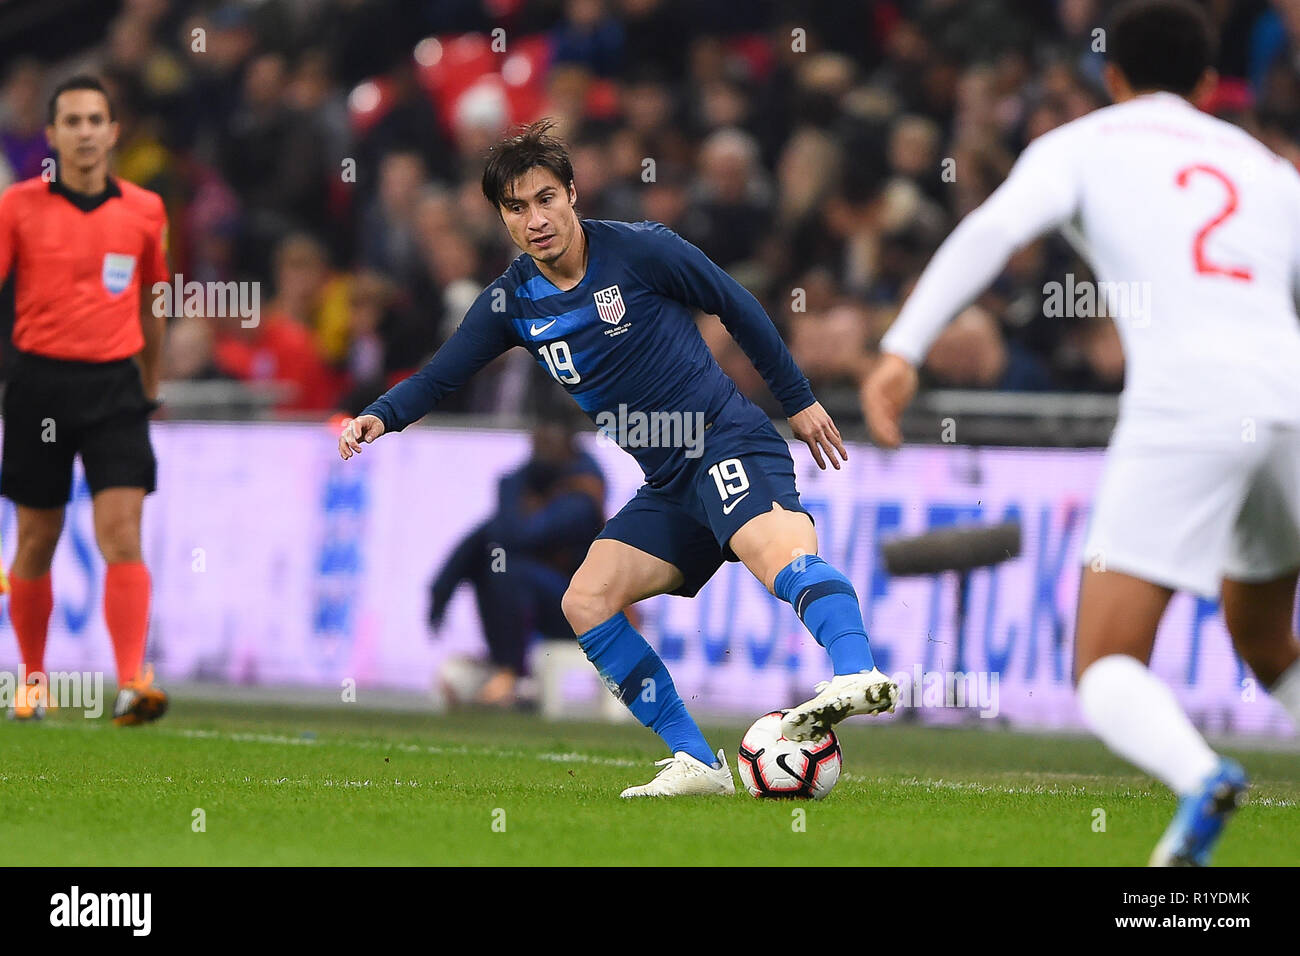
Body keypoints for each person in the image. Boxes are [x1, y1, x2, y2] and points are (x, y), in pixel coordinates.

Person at [861, 0, 1300, 865]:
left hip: (1188, 403)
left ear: (1113, 76)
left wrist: (902, 348)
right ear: (1210, 85)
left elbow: (991, 229)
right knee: (1260, 631)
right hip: (1290, 395)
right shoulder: (1269, 169)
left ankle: (1200, 776)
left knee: (1103, 666)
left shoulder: (1084, 144)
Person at [340, 119, 899, 797]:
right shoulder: (511, 301)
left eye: (545, 198)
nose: (535, 219)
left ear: (572, 193)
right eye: (515, 208)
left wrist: (799, 400)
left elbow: (735, 303)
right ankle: (697, 762)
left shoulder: (640, 251)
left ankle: (855, 672)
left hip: (723, 440)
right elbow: (440, 376)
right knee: (588, 600)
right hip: (666, 483)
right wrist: (379, 414)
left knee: (776, 555)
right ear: (502, 219)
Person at [0, 75, 170, 724]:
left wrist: (149, 383)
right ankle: (34, 681)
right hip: (39, 386)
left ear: (113, 130)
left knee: (122, 532)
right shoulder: (17, 206)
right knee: (37, 538)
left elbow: (154, 300)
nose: (85, 131)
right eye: (71, 121)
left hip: (114, 387)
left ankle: (133, 682)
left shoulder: (145, 210)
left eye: (96, 118)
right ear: (52, 135)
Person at [429, 418, 606, 707]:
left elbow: (519, 535)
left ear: (568, 447)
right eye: (537, 442)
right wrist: (443, 586)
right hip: (538, 599)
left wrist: (508, 490)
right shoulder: (535, 480)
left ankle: (512, 673)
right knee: (488, 561)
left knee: (507, 567)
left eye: (548, 442)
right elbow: (492, 533)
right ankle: (502, 665)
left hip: (578, 606)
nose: (540, 450)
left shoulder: (581, 494)